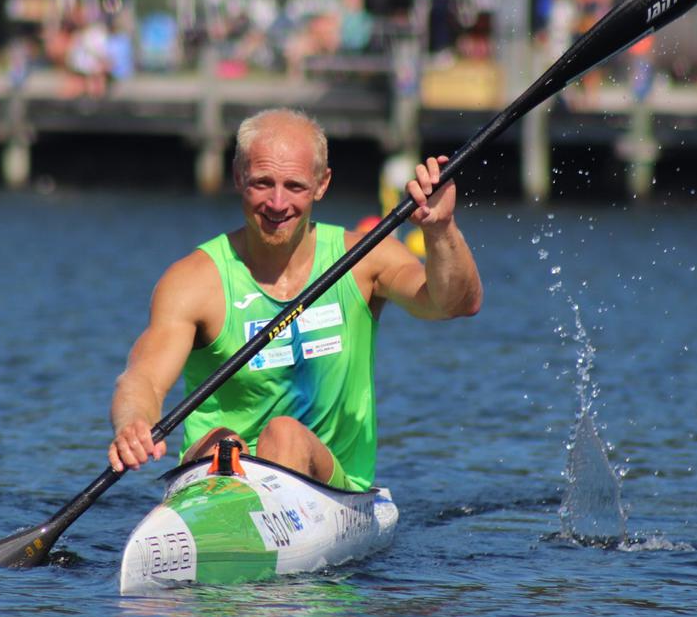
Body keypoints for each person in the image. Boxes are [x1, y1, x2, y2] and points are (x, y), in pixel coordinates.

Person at [107, 108, 482, 491]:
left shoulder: (365, 258)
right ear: (238, 176)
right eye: (263, 183)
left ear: (322, 184)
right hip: (217, 471)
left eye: (295, 187)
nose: (277, 203)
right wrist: (134, 423)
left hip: (330, 488)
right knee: (224, 444)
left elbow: (453, 303)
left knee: (284, 434)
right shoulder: (194, 281)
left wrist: (441, 230)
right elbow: (144, 378)